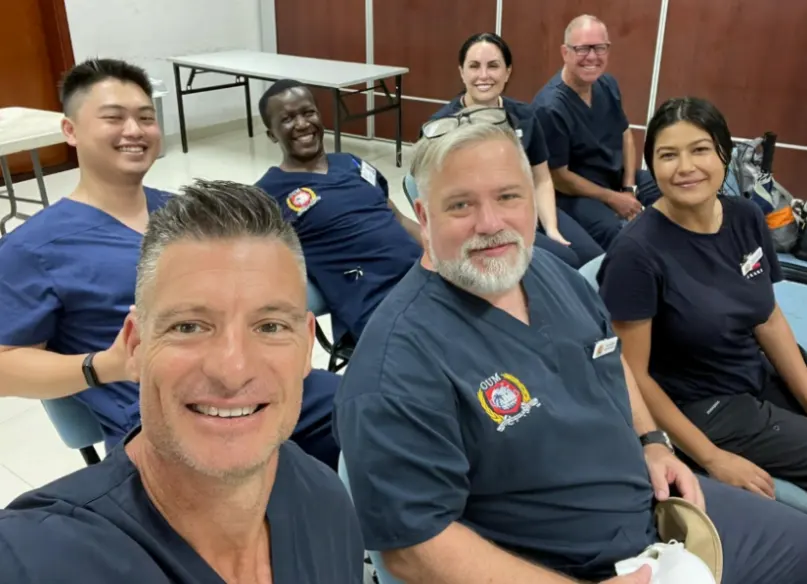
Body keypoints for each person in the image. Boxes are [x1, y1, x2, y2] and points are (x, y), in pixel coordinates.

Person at [333, 113, 807, 583]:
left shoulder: (548, 272)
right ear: (423, 217)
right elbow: (414, 549)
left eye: (509, 196)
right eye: (460, 206)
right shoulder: (396, 365)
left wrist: (653, 442)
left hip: (654, 506)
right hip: (569, 565)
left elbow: (610, 356)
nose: (491, 223)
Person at [0, 180, 365, 583]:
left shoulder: (327, 504)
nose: (233, 370)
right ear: (135, 346)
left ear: (307, 345)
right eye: (189, 326)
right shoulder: (38, 558)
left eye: (270, 326)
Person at [598, 97, 807, 497]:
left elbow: (769, 318)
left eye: (700, 150)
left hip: (751, 370)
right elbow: (632, 375)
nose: (686, 167)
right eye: (668, 155)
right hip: (701, 404)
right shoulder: (636, 254)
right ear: (652, 166)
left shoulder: (745, 217)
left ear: (724, 154)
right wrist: (710, 457)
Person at [0, 58, 171, 451]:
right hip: (159, 429)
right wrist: (103, 366)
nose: (134, 130)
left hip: (249, 384)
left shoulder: (184, 212)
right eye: (114, 118)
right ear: (70, 130)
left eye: (146, 117)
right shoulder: (33, 248)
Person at [254, 79, 421, 343]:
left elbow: (398, 219)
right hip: (379, 308)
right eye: (287, 118)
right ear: (272, 134)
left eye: (308, 112)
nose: (302, 124)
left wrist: (446, 252)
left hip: (425, 280)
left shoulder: (352, 163)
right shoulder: (265, 196)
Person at [428, 32, 603, 268]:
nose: (483, 75)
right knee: (566, 261)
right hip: (486, 219)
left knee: (594, 259)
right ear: (461, 72)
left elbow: (541, 179)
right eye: (474, 66)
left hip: (527, 206)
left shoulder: (524, 116)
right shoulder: (440, 128)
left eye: (493, 66)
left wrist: (551, 227)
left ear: (507, 72)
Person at [532, 14, 661, 250]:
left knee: (667, 189)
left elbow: (625, 135)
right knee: (615, 233)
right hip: (574, 195)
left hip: (615, 178)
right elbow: (560, 177)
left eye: (599, 48)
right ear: (565, 52)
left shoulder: (607, 84)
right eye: (582, 49)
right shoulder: (550, 108)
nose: (592, 57)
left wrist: (629, 188)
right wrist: (613, 199)